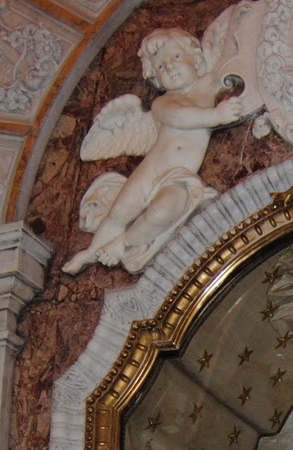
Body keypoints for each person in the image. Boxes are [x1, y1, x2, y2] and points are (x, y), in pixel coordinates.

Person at [62, 24, 254, 275]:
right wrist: (216, 116)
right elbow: (181, 117)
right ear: (154, 77)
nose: (171, 67)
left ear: (196, 58)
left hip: (178, 177)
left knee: (164, 210)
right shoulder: (164, 102)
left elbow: (230, 56)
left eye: (175, 57)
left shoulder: (209, 83)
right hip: (152, 170)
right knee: (120, 211)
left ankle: (124, 242)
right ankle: (90, 252)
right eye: (161, 66)